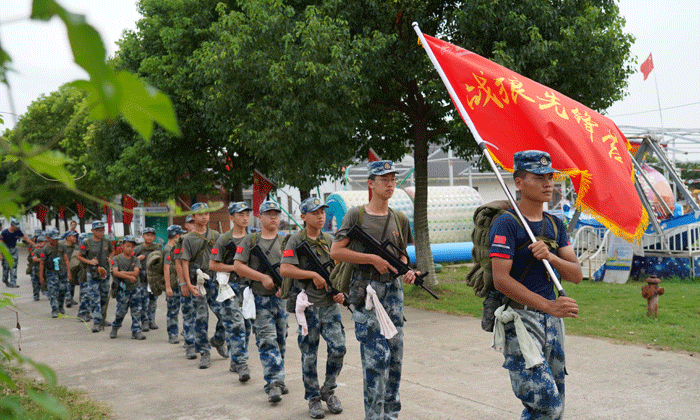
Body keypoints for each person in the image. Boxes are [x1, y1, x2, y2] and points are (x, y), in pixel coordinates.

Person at [489, 150, 582, 420]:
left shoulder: (555, 224)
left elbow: (576, 274)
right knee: (545, 404)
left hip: (552, 325)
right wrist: (549, 306)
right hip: (520, 321)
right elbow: (501, 279)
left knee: (555, 408)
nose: (548, 183)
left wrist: (551, 256)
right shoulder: (507, 224)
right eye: (539, 177)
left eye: (550, 176)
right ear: (518, 182)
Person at [330, 160, 415, 420]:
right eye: (384, 179)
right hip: (366, 293)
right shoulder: (357, 215)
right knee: (375, 363)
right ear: (371, 183)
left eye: (393, 179)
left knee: (395, 361)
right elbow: (336, 251)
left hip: (393, 294)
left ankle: (391, 415)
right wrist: (372, 259)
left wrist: (406, 270)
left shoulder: (399, 218)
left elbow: (402, 256)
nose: (390, 184)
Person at [280, 197, 346, 419]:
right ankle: (313, 398)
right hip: (307, 306)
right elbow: (285, 269)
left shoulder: (330, 239)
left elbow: (340, 270)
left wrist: (341, 291)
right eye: (315, 212)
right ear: (303, 216)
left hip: (329, 305)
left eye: (322, 212)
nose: (320, 216)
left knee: (338, 348)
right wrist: (312, 274)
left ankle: (328, 389)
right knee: (309, 354)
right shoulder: (295, 240)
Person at [233, 200, 289, 403]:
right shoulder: (250, 240)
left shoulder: (285, 240)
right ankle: (273, 382)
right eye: (269, 214)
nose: (273, 217)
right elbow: (238, 266)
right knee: (267, 340)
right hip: (260, 299)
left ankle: (279, 377)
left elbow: (292, 267)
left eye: (276, 214)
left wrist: (287, 286)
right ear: (261, 217)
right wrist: (262, 278)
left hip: (280, 299)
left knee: (281, 339)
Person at [181, 202, 240, 371]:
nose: (204, 217)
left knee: (224, 314)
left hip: (215, 280)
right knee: (201, 318)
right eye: (200, 214)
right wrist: (187, 284)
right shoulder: (188, 239)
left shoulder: (215, 235)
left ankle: (219, 339)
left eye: (207, 213)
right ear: (193, 217)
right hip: (197, 281)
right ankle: (205, 353)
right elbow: (184, 263)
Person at [208, 201, 255, 381]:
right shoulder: (224, 239)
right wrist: (234, 268)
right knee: (236, 325)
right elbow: (213, 264)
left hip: (248, 287)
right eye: (240, 214)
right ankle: (242, 364)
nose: (245, 218)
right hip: (229, 286)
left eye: (246, 214)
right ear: (232, 217)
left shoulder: (253, 237)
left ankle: (235, 360)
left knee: (247, 324)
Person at [76, 221, 115, 332]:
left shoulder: (107, 241)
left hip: (104, 273)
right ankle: (97, 322)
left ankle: (103, 318)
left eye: (102, 230)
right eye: (98, 230)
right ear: (92, 231)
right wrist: (89, 261)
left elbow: (113, 251)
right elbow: (79, 256)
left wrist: (110, 258)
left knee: (104, 296)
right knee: (94, 298)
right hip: (92, 273)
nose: (100, 232)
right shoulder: (86, 242)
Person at [109, 235, 146, 340]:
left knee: (136, 310)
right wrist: (128, 276)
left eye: (132, 247)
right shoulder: (116, 259)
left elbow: (136, 272)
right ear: (122, 246)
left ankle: (136, 331)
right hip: (122, 289)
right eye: (128, 246)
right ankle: (115, 326)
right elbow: (115, 272)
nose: (130, 249)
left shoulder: (136, 259)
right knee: (121, 310)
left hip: (135, 288)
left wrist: (123, 273)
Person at [175, 215, 197, 359]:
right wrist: (183, 284)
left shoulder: (208, 237)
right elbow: (178, 263)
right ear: (186, 226)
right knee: (188, 313)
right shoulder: (180, 241)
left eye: (195, 222)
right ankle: (190, 344)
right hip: (187, 282)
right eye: (191, 223)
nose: (193, 225)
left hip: (203, 282)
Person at [133, 227, 162, 331]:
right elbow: (129, 260)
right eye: (147, 235)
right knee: (144, 301)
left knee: (153, 300)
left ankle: (152, 321)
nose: (149, 237)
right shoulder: (138, 249)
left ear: (154, 237)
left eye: (151, 235)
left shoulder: (158, 247)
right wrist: (137, 259)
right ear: (143, 236)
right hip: (142, 278)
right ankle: (144, 322)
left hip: (154, 278)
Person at [38, 230, 71, 318]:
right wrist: (41, 276)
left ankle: (60, 306)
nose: (55, 241)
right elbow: (42, 263)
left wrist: (68, 272)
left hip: (62, 271)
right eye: (53, 239)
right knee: (53, 291)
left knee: (62, 290)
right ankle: (55, 309)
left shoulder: (62, 246)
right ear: (48, 238)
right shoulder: (45, 249)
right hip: (51, 272)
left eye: (57, 239)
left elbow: (66, 259)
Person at [163, 225, 184, 344]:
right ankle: (172, 334)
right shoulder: (168, 249)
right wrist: (168, 287)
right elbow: (166, 268)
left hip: (180, 283)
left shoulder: (176, 247)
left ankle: (185, 332)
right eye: (180, 235)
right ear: (176, 236)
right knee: (172, 311)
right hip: (173, 285)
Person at [1, 218, 35, 288]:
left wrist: (33, 243)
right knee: (6, 268)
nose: (17, 227)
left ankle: (13, 282)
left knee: (14, 267)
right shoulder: (4, 232)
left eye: (18, 226)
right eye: (16, 226)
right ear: (12, 225)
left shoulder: (18, 231)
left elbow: (25, 238)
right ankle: (5, 279)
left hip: (14, 250)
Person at [63, 231, 80, 308]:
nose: (75, 238)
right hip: (65, 267)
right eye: (73, 236)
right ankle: (68, 299)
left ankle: (71, 298)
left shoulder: (76, 246)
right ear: (67, 238)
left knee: (72, 283)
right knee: (68, 283)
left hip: (74, 267)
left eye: (75, 237)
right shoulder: (63, 247)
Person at [30, 233, 46, 301]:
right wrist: (43, 260)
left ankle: (46, 292)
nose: (41, 244)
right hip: (36, 269)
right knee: (35, 283)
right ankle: (36, 295)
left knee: (46, 282)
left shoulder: (46, 250)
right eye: (39, 242)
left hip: (45, 269)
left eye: (42, 242)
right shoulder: (36, 250)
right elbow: (34, 259)